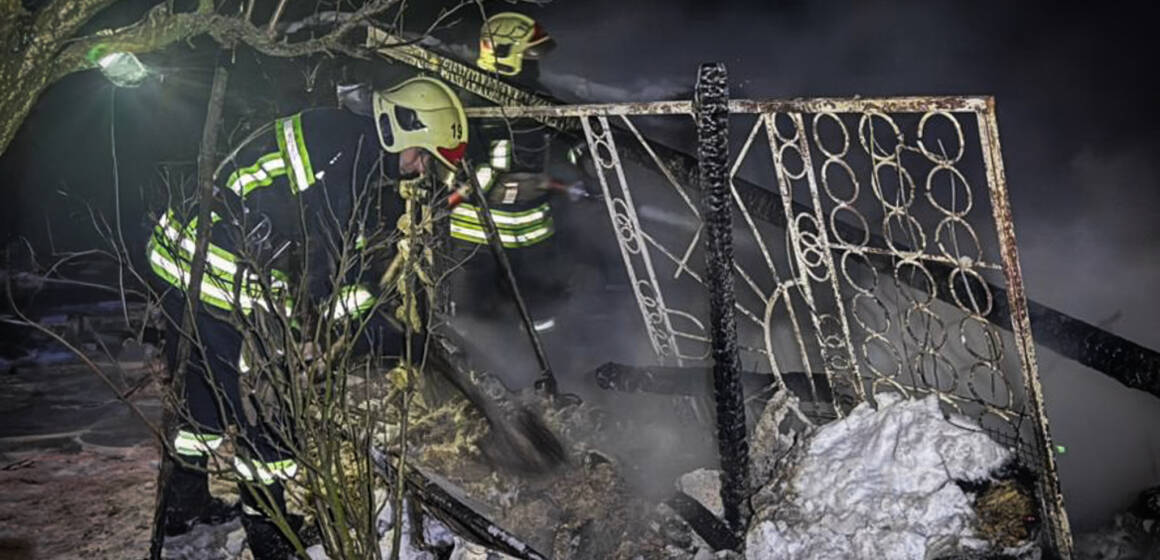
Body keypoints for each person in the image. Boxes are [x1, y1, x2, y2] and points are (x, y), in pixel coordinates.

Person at [146, 76, 467, 558]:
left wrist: (366, 318)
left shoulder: (346, 143)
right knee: (273, 403)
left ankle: (184, 505)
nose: (420, 169)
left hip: (197, 258)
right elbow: (319, 257)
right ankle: (267, 528)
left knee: (205, 388)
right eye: (422, 155)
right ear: (402, 128)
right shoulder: (340, 155)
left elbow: (341, 250)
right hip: (211, 267)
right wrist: (360, 325)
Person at [449, 12, 597, 337]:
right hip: (479, 234)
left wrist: (586, 161)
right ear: (503, 54)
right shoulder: (471, 99)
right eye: (529, 58)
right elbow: (462, 167)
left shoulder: (536, 96)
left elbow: (565, 137)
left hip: (532, 230)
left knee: (542, 314)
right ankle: (478, 371)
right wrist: (483, 185)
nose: (535, 66)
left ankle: (549, 370)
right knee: (476, 318)